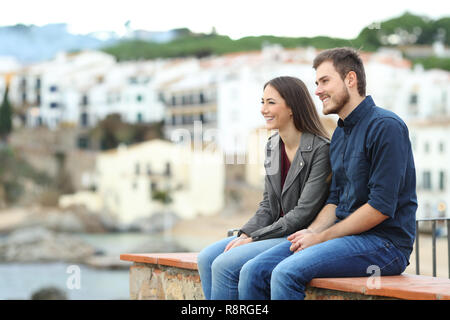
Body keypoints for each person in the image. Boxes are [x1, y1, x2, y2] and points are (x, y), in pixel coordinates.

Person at [237, 47, 418, 300]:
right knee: (254, 270)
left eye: (324, 81)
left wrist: (322, 236)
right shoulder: (340, 135)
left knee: (285, 273)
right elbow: (335, 200)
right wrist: (312, 232)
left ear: (350, 80)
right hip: (345, 238)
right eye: (316, 83)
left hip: (384, 245)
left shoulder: (386, 127)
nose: (318, 90)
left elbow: (380, 207)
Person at [197, 76, 332, 300]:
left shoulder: (321, 150)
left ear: (292, 108)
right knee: (206, 258)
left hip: (297, 235)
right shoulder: (272, 145)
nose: (263, 109)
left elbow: (303, 212)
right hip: (272, 233)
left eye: (271, 102)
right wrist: (245, 233)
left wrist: (254, 238)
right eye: (262, 102)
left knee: (225, 265)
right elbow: (268, 204)